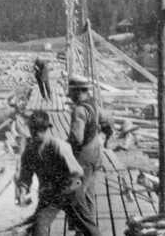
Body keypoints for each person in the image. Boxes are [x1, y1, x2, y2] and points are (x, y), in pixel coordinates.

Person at [15, 110, 101, 236]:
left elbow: (77, 173)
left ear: (47, 128)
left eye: (40, 129)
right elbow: (25, 175)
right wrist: (22, 190)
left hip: (71, 193)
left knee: (87, 226)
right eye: (33, 129)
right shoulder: (29, 150)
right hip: (49, 196)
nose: (36, 133)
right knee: (39, 227)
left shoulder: (58, 146)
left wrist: (65, 187)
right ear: (29, 128)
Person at [65, 76, 104, 222]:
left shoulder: (79, 110)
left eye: (71, 90)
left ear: (77, 92)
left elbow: (77, 138)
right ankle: (91, 225)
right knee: (89, 194)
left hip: (83, 160)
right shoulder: (93, 105)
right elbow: (106, 121)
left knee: (76, 192)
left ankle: (84, 229)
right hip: (96, 156)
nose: (69, 94)